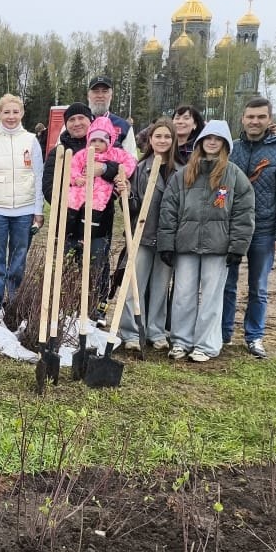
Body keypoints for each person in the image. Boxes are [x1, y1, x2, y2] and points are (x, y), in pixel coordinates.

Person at [158, 120, 255, 362]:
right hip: (186, 245)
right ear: (200, 142)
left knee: (212, 296)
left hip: (218, 247)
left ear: (224, 144)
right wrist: (167, 243)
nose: (212, 142)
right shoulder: (184, 175)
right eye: (208, 138)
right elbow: (168, 210)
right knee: (183, 294)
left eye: (218, 139)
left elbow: (244, 214)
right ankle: (180, 340)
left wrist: (237, 247)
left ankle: (206, 345)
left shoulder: (234, 176)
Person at [222, 97, 276, 359]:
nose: (255, 121)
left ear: (269, 119)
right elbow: (222, 186)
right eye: (250, 117)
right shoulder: (232, 149)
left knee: (258, 287)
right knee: (226, 284)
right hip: (231, 228)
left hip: (264, 229)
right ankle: (223, 334)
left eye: (260, 117)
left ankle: (254, 336)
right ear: (243, 118)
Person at [0, 94, 44, 320]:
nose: (11, 117)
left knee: (18, 260)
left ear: (22, 113)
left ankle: (14, 301)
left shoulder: (32, 141)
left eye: (15, 112)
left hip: (24, 211)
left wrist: (38, 210)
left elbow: (38, 177)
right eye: (6, 112)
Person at [66, 116, 135, 321]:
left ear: (110, 141)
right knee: (72, 257)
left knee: (97, 261)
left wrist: (116, 174)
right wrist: (76, 178)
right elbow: (71, 169)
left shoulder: (115, 155)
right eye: (93, 141)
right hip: (78, 206)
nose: (97, 145)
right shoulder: (80, 154)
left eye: (101, 141)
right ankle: (71, 303)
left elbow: (129, 163)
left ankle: (97, 306)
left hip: (101, 208)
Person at [120, 117, 178, 351]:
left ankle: (154, 330)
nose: (162, 140)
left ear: (173, 140)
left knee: (160, 287)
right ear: (150, 140)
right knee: (134, 285)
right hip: (142, 235)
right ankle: (131, 332)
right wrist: (125, 193)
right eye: (158, 136)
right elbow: (132, 206)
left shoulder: (181, 170)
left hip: (167, 238)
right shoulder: (140, 169)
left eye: (167, 136)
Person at [87, 76, 137, 156]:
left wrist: (106, 167)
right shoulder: (77, 123)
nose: (100, 96)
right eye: (96, 91)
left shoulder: (124, 126)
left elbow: (132, 160)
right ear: (88, 95)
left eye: (105, 91)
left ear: (111, 96)